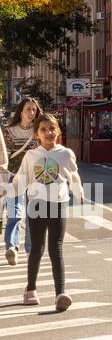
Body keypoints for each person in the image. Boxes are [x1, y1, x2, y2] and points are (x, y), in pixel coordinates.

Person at [0, 114, 84, 310]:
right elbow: (22, 180)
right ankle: (30, 289)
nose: (49, 133)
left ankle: (60, 294)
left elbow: (73, 176)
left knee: (56, 249)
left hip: (58, 205)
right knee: (37, 249)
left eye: (52, 128)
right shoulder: (31, 156)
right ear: (37, 134)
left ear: (58, 131)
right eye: (44, 129)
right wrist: (7, 191)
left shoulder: (65, 154)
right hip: (36, 205)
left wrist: (79, 193)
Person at [3, 97, 41, 265]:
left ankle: (31, 249)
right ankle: (12, 248)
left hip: (34, 179)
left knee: (32, 215)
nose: (31, 113)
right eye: (28, 109)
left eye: (34, 110)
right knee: (15, 214)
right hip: (13, 176)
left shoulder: (39, 131)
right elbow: (4, 155)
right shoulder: (9, 131)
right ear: (20, 111)